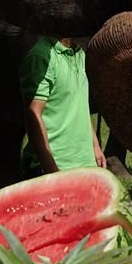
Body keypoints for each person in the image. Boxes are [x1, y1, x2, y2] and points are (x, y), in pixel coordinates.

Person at [20, 36, 106, 177]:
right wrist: (51, 170)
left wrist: (95, 146)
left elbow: (78, 106)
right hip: (55, 167)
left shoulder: (79, 53)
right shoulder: (40, 56)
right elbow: (33, 113)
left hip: (86, 165)